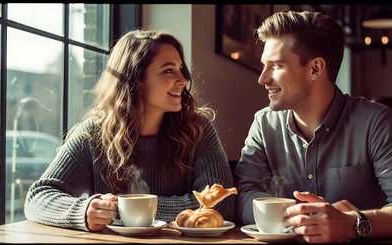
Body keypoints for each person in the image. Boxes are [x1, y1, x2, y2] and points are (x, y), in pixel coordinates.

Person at [24, 30, 235, 232]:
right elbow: (38, 197)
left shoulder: (198, 130)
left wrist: (126, 209)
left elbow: (222, 204)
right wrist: (84, 210)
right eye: (169, 70)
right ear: (135, 79)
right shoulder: (91, 135)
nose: (183, 79)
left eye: (181, 69)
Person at [234, 10, 392, 243]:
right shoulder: (263, 124)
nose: (262, 78)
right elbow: (242, 195)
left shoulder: (376, 122)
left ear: (315, 69)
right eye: (264, 66)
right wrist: (306, 217)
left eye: (276, 66)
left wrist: (352, 223)